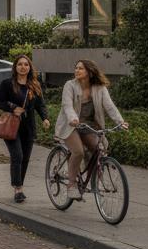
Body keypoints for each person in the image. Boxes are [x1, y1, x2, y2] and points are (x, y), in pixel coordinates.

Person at [55, 59, 128, 200]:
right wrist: (72, 118)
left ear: (89, 71)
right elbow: (67, 106)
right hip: (70, 125)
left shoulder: (99, 88)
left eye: (80, 68)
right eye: (76, 68)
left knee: (98, 149)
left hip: (89, 125)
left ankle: (93, 179)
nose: (77, 71)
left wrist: (121, 121)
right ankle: (71, 185)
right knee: (78, 151)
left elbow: (110, 107)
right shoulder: (69, 85)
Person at [0, 54, 50, 203]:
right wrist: (13, 107)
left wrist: (45, 118)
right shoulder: (7, 84)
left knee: (25, 159)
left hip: (28, 127)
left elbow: (40, 104)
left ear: (29, 67)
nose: (23, 67)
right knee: (17, 156)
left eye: (26, 64)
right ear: (15, 67)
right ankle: (18, 189)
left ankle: (20, 185)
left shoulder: (35, 85)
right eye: (20, 64)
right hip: (12, 126)